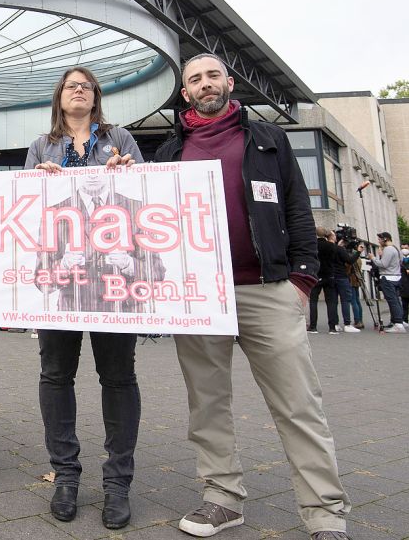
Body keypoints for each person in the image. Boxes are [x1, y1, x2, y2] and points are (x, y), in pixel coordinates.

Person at [155, 54, 350, 540]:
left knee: (298, 404)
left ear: (229, 81)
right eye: (194, 79)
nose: (204, 84)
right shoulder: (168, 151)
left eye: (212, 75)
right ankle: (222, 499)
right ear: (185, 93)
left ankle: (325, 513)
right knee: (208, 404)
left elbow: (297, 206)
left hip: (266, 289)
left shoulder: (268, 138)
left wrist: (302, 279)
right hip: (199, 297)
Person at [23, 66, 163, 528]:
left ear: (96, 96)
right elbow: (27, 218)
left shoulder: (120, 138)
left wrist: (132, 171)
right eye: (70, 85)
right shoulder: (41, 147)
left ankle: (117, 482)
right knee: (56, 374)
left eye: (86, 85)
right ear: (59, 97)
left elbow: (149, 200)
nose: (78, 90)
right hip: (64, 289)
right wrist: (36, 184)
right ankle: (65, 475)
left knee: (118, 377)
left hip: (115, 289)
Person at [308, 228, 358, 334]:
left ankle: (313, 326)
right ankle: (332, 327)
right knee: (331, 301)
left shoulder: (312, 245)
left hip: (316, 274)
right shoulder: (332, 246)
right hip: (329, 275)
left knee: (313, 301)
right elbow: (340, 257)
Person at [370, 232, 405, 332]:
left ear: (385, 239)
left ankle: (398, 323)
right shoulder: (396, 249)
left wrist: (373, 258)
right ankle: (397, 321)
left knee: (392, 301)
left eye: (380, 239)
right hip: (396, 277)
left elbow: (383, 264)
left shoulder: (388, 249)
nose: (379, 241)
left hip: (388, 277)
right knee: (396, 300)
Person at [401, 243, 409, 324]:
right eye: (402, 248)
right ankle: (405, 319)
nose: (404, 250)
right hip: (404, 285)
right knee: (404, 304)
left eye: (406, 248)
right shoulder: (400, 260)